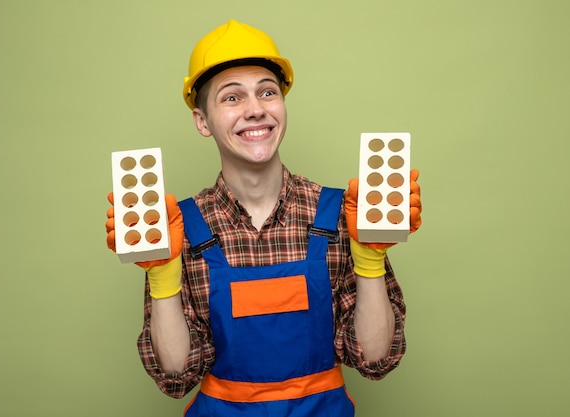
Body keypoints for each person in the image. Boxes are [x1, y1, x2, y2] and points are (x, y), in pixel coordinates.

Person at [106, 19, 422, 416]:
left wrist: (370, 257)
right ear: (202, 121)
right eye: (232, 98)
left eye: (267, 92)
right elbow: (175, 375)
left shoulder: (343, 214)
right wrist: (162, 275)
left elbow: (375, 359)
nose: (255, 110)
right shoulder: (177, 228)